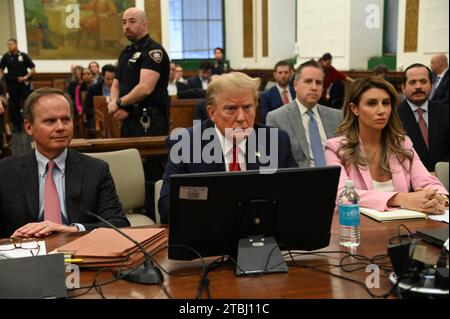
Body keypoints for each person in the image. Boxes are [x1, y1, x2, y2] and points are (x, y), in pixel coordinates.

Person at [158, 72, 298, 223]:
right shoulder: (185, 144)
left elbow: (296, 195)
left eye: (247, 107)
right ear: (212, 112)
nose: (241, 117)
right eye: (231, 109)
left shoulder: (276, 141)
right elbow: (167, 207)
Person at [0, 87, 130, 238]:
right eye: (50, 121)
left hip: (81, 253)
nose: (61, 127)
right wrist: (11, 241)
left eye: (66, 119)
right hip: (26, 256)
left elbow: (119, 223)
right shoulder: (5, 171)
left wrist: (74, 229)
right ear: (29, 127)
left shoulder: (96, 169)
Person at [325, 77, 448, 214]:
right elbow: (342, 195)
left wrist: (439, 198)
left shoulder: (402, 143)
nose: (381, 110)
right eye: (372, 103)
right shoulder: (335, 148)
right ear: (354, 109)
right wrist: (400, 198)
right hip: (358, 228)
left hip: (404, 229)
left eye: (386, 103)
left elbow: (427, 181)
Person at [266, 59, 342, 168]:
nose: (314, 87)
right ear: (295, 85)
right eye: (308, 81)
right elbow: (272, 164)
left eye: (318, 83)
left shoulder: (337, 117)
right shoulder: (276, 118)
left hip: (337, 179)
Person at [107, 7, 170, 137]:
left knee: (150, 157)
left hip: (149, 120)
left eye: (132, 21)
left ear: (144, 25)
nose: (127, 26)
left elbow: (145, 88)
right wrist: (117, 107)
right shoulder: (126, 52)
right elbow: (116, 84)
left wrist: (118, 103)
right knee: (127, 157)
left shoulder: (153, 51)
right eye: (124, 22)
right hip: (127, 119)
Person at [397, 63, 449, 172]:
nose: (418, 86)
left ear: (431, 85)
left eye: (423, 81)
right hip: (410, 182)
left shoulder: (446, 112)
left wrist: (441, 173)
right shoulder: (393, 116)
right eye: (412, 82)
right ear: (403, 87)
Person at [0, 39, 36, 131]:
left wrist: (25, 77)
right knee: (13, 105)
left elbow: (33, 69)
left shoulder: (23, 56)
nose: (9, 46)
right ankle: (16, 126)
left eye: (11, 44)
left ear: (16, 44)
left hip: (24, 84)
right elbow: (1, 70)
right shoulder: (6, 57)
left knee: (26, 103)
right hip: (12, 84)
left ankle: (29, 123)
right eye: (8, 45)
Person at [84, 64, 117, 134]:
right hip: (98, 118)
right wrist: (98, 114)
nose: (111, 82)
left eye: (113, 79)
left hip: (116, 118)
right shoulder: (93, 89)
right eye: (108, 79)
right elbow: (87, 108)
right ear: (103, 76)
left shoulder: (120, 88)